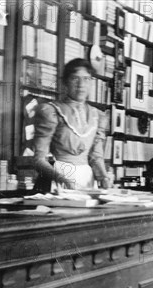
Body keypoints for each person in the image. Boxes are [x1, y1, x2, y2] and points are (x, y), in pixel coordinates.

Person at [33, 58, 111, 190]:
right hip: (56, 180)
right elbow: (38, 160)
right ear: (65, 82)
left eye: (86, 79)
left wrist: (104, 177)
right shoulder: (51, 111)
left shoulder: (97, 115)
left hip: (87, 181)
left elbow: (95, 156)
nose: (81, 85)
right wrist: (61, 178)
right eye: (75, 79)